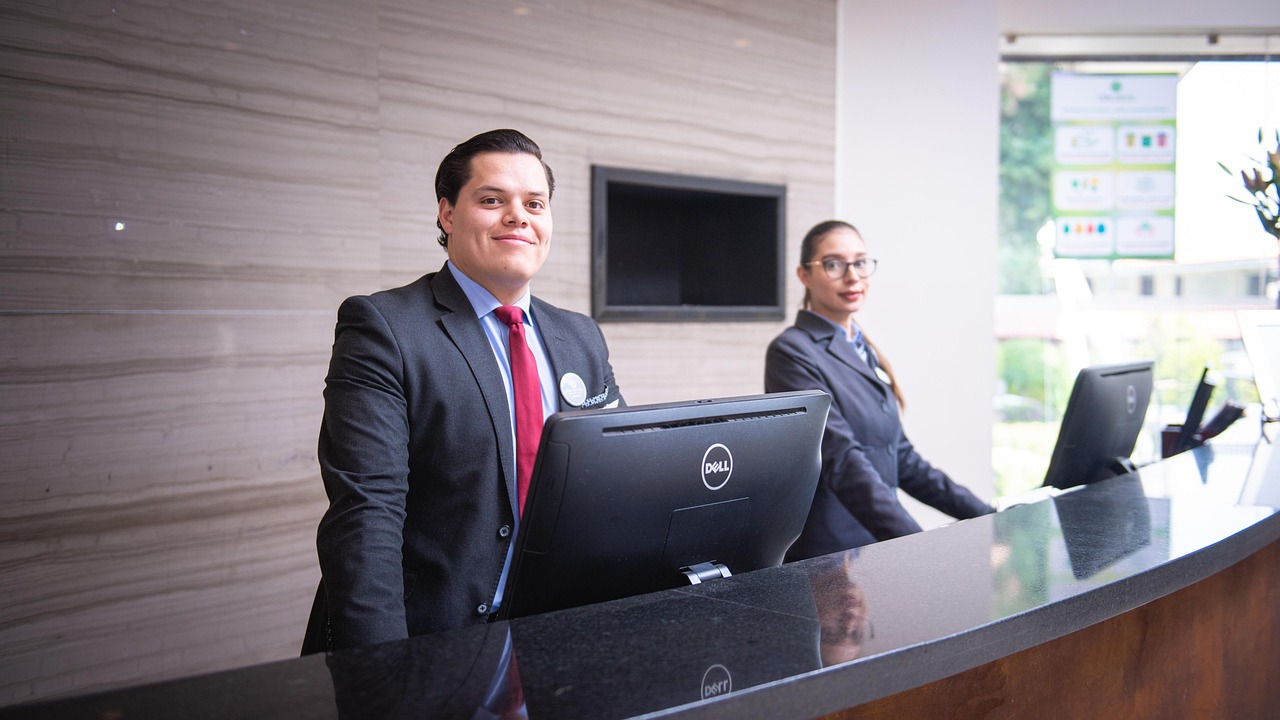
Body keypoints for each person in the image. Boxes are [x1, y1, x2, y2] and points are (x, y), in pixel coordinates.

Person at [303, 129, 624, 653]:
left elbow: (618, 483)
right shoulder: (385, 327)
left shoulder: (580, 336)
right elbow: (366, 514)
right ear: (447, 214)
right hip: (434, 641)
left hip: (558, 636)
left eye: (534, 203)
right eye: (492, 200)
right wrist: (383, 669)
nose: (518, 216)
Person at [764, 220, 992, 561]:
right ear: (804, 276)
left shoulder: (861, 347)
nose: (852, 276)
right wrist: (915, 543)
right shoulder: (792, 351)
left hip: (876, 549)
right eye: (833, 264)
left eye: (860, 262)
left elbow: (900, 456)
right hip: (830, 557)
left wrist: (988, 515)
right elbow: (841, 460)